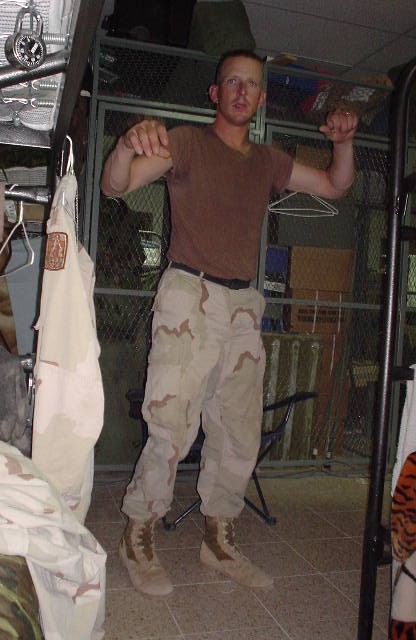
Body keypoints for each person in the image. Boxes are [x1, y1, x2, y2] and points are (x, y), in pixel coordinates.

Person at [101, 49, 358, 597]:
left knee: (239, 430)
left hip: (243, 304)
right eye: (232, 83)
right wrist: (125, 145)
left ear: (261, 98)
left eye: (252, 85)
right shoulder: (187, 143)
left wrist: (343, 143)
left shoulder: (268, 161)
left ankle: (218, 539)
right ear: (215, 93)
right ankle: (137, 532)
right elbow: (114, 186)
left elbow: (337, 185)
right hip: (189, 296)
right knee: (172, 425)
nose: (242, 91)